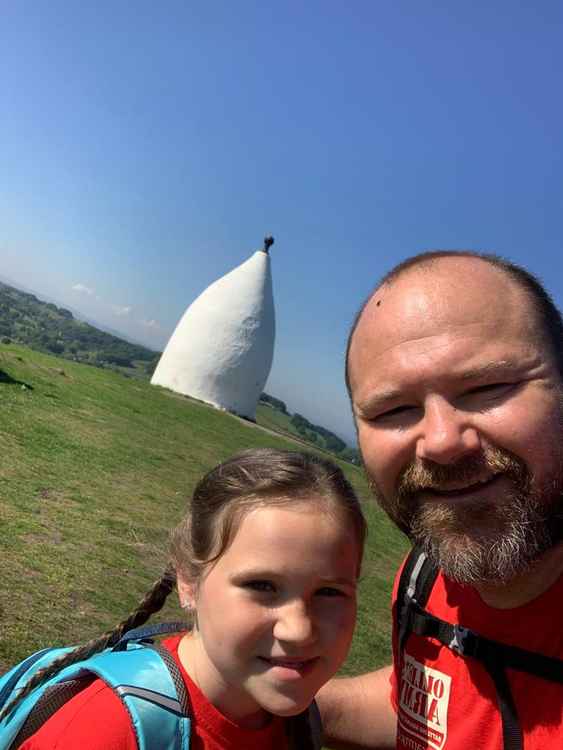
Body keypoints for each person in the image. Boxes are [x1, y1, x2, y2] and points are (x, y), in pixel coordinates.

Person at [317, 251, 563, 750]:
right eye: (394, 410)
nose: (443, 442)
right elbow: (438, 713)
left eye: (489, 387)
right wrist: (265, 708)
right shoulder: (426, 576)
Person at [5, 448, 366, 749]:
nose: (298, 630)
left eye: (330, 592)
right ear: (188, 580)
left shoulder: (292, 723)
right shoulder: (106, 731)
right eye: (262, 585)